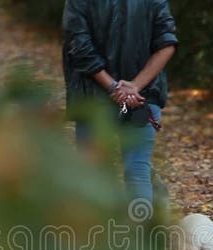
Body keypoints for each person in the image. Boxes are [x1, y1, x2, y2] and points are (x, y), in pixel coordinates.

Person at [63, 0, 178, 206]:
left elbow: (80, 47)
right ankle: (142, 235)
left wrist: (113, 88)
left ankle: (96, 236)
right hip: (142, 99)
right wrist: (135, 86)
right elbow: (167, 44)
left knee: (93, 173)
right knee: (138, 171)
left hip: (93, 98)